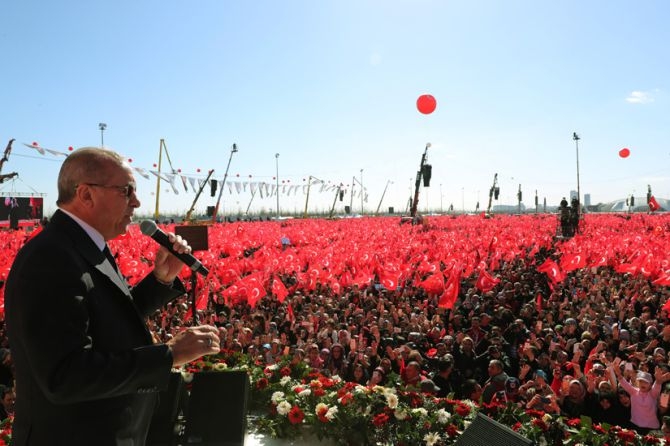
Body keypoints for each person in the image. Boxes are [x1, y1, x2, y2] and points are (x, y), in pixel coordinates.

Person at [5, 147, 221, 446]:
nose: (136, 201)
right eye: (126, 190)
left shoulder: (82, 244)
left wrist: (160, 280)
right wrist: (168, 355)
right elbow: (65, 375)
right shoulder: (51, 258)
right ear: (86, 195)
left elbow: (106, 321)